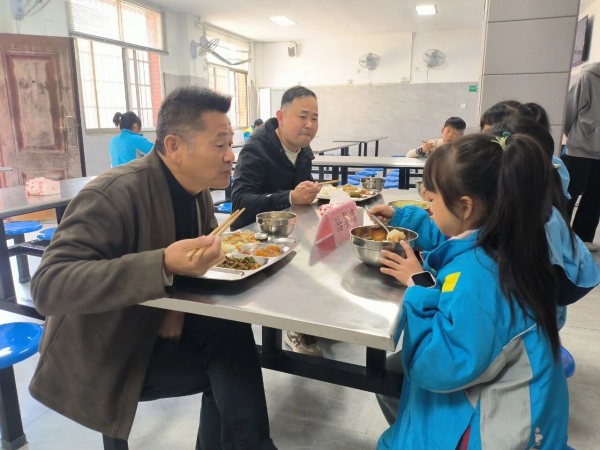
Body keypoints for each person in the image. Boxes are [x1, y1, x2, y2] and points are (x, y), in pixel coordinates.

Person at [30, 87, 277, 450]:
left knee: (232, 338)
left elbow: (189, 268)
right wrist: (161, 264)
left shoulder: (196, 191)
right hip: (104, 352)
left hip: (153, 328)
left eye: (230, 144)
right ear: (174, 146)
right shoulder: (112, 193)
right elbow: (47, 286)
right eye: (220, 144)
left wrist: (174, 305)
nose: (231, 156)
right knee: (230, 367)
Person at [372, 133, 570, 449]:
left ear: (466, 206)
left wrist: (420, 285)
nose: (428, 204)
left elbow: (434, 365)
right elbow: (450, 241)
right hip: (523, 407)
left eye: (432, 199)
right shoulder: (505, 242)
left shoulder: (477, 280)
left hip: (493, 431)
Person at [232, 85, 322, 356]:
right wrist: (290, 196)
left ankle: (309, 317)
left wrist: (307, 192)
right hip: (256, 238)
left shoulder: (303, 148)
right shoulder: (256, 149)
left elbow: (298, 192)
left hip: (290, 230)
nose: (309, 125)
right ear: (280, 117)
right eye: (303, 116)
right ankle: (293, 327)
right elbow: (240, 202)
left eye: (314, 118)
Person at [564, 62, 600, 252]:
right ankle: (561, 235)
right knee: (569, 193)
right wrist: (575, 136)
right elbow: (570, 110)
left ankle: (583, 237)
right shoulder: (588, 76)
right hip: (580, 147)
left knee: (596, 195)